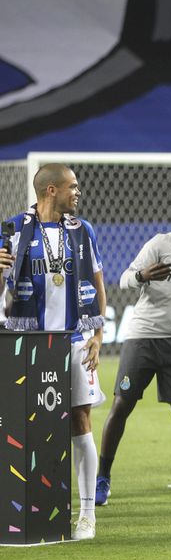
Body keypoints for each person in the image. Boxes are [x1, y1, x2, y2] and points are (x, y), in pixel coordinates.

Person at [1, 164, 107, 540]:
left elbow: (97, 280)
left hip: (74, 340)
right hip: (25, 343)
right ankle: (15, 505)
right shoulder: (12, 230)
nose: (77, 192)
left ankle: (87, 514)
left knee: (80, 422)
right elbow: (3, 295)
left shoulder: (82, 231)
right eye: (71, 187)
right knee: (16, 425)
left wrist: (97, 334)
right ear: (50, 190)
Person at [95, 198, 171, 507]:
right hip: (142, 339)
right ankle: (102, 480)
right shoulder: (161, 243)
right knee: (122, 405)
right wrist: (142, 276)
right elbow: (125, 278)